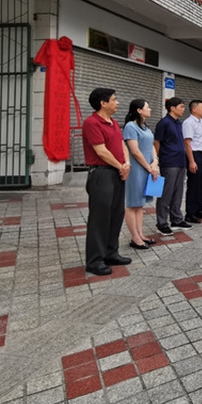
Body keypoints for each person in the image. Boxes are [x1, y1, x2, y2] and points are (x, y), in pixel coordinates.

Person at [81, 88, 131, 275]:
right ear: (103, 103)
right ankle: (95, 261)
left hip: (117, 172)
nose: (117, 103)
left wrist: (126, 164)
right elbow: (101, 151)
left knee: (116, 214)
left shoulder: (114, 123)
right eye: (114, 99)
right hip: (101, 174)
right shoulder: (92, 123)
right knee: (99, 218)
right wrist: (120, 166)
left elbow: (121, 145)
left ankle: (111, 252)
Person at [123, 100, 159, 250]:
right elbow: (135, 151)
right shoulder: (130, 127)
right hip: (137, 170)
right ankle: (134, 237)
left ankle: (140, 234)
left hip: (148, 169)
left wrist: (155, 162)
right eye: (147, 107)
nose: (150, 109)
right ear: (139, 110)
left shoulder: (145, 127)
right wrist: (149, 167)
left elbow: (151, 146)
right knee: (132, 204)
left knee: (140, 204)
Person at [154, 98, 192, 234]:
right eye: (181, 107)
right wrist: (157, 160)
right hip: (168, 162)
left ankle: (176, 219)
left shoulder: (178, 123)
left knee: (178, 192)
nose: (183, 109)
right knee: (166, 193)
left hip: (180, 162)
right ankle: (162, 222)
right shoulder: (164, 123)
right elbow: (157, 142)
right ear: (172, 108)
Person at [183, 100, 202, 223]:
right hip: (195, 155)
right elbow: (187, 143)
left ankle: (199, 209)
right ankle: (190, 213)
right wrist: (191, 161)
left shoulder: (200, 122)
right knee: (194, 185)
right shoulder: (189, 123)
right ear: (194, 109)